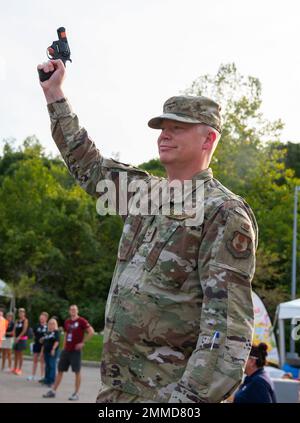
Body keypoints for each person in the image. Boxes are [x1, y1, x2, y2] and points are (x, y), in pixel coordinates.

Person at [38, 59, 258, 403]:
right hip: (117, 392)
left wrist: (186, 403)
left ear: (208, 139)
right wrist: (55, 95)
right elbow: (89, 164)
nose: (165, 134)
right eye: (162, 127)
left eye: (178, 127)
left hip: (166, 397)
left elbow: (227, 329)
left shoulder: (222, 211)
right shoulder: (146, 194)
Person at [43, 305, 94, 400]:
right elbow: (66, 335)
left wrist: (83, 342)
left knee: (77, 372)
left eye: (74, 309)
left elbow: (91, 331)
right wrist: (64, 347)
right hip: (66, 350)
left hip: (76, 351)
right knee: (60, 370)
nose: (73, 311)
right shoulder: (67, 322)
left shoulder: (81, 321)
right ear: (69, 311)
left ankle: (76, 393)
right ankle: (53, 391)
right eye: (71, 309)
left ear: (77, 310)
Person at [27, 311, 49, 381]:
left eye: (43, 318)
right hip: (36, 344)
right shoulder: (36, 326)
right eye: (40, 318)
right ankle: (33, 375)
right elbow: (33, 334)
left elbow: (49, 335)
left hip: (44, 345)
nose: (41, 319)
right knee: (35, 360)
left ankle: (42, 376)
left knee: (42, 360)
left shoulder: (48, 326)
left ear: (46, 318)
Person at [42, 318, 60, 387]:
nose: (51, 325)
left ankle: (51, 381)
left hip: (53, 351)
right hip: (46, 351)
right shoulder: (47, 332)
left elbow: (57, 341)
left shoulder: (56, 332)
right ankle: (47, 379)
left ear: (55, 324)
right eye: (50, 323)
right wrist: (42, 340)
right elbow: (44, 341)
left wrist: (53, 349)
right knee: (47, 365)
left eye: (53, 324)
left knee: (52, 365)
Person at [12, 308, 29, 375]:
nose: (21, 313)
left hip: (22, 339)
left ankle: (19, 369)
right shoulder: (17, 321)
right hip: (16, 339)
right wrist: (14, 337)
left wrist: (19, 337)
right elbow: (14, 329)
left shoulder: (25, 320)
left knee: (20, 354)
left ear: (24, 313)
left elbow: (24, 330)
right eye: (19, 312)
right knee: (16, 353)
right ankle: (15, 368)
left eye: (22, 312)